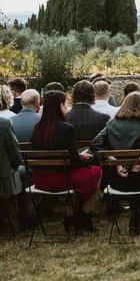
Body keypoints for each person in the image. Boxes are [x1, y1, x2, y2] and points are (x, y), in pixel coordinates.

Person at [91, 92, 140, 234]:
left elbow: (96, 144)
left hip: (117, 179)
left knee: (135, 180)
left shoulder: (112, 123)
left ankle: (136, 220)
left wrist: (116, 163)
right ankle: (137, 221)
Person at [30, 91, 102, 232]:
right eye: (65, 103)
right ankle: (84, 214)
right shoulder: (66, 128)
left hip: (41, 179)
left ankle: (71, 216)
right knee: (96, 171)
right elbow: (75, 162)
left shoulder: (37, 128)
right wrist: (91, 159)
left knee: (80, 175)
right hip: (62, 179)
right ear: (60, 106)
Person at [0, 114, 36, 232]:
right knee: (25, 172)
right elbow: (16, 157)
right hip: (2, 176)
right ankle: (25, 217)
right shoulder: (4, 123)